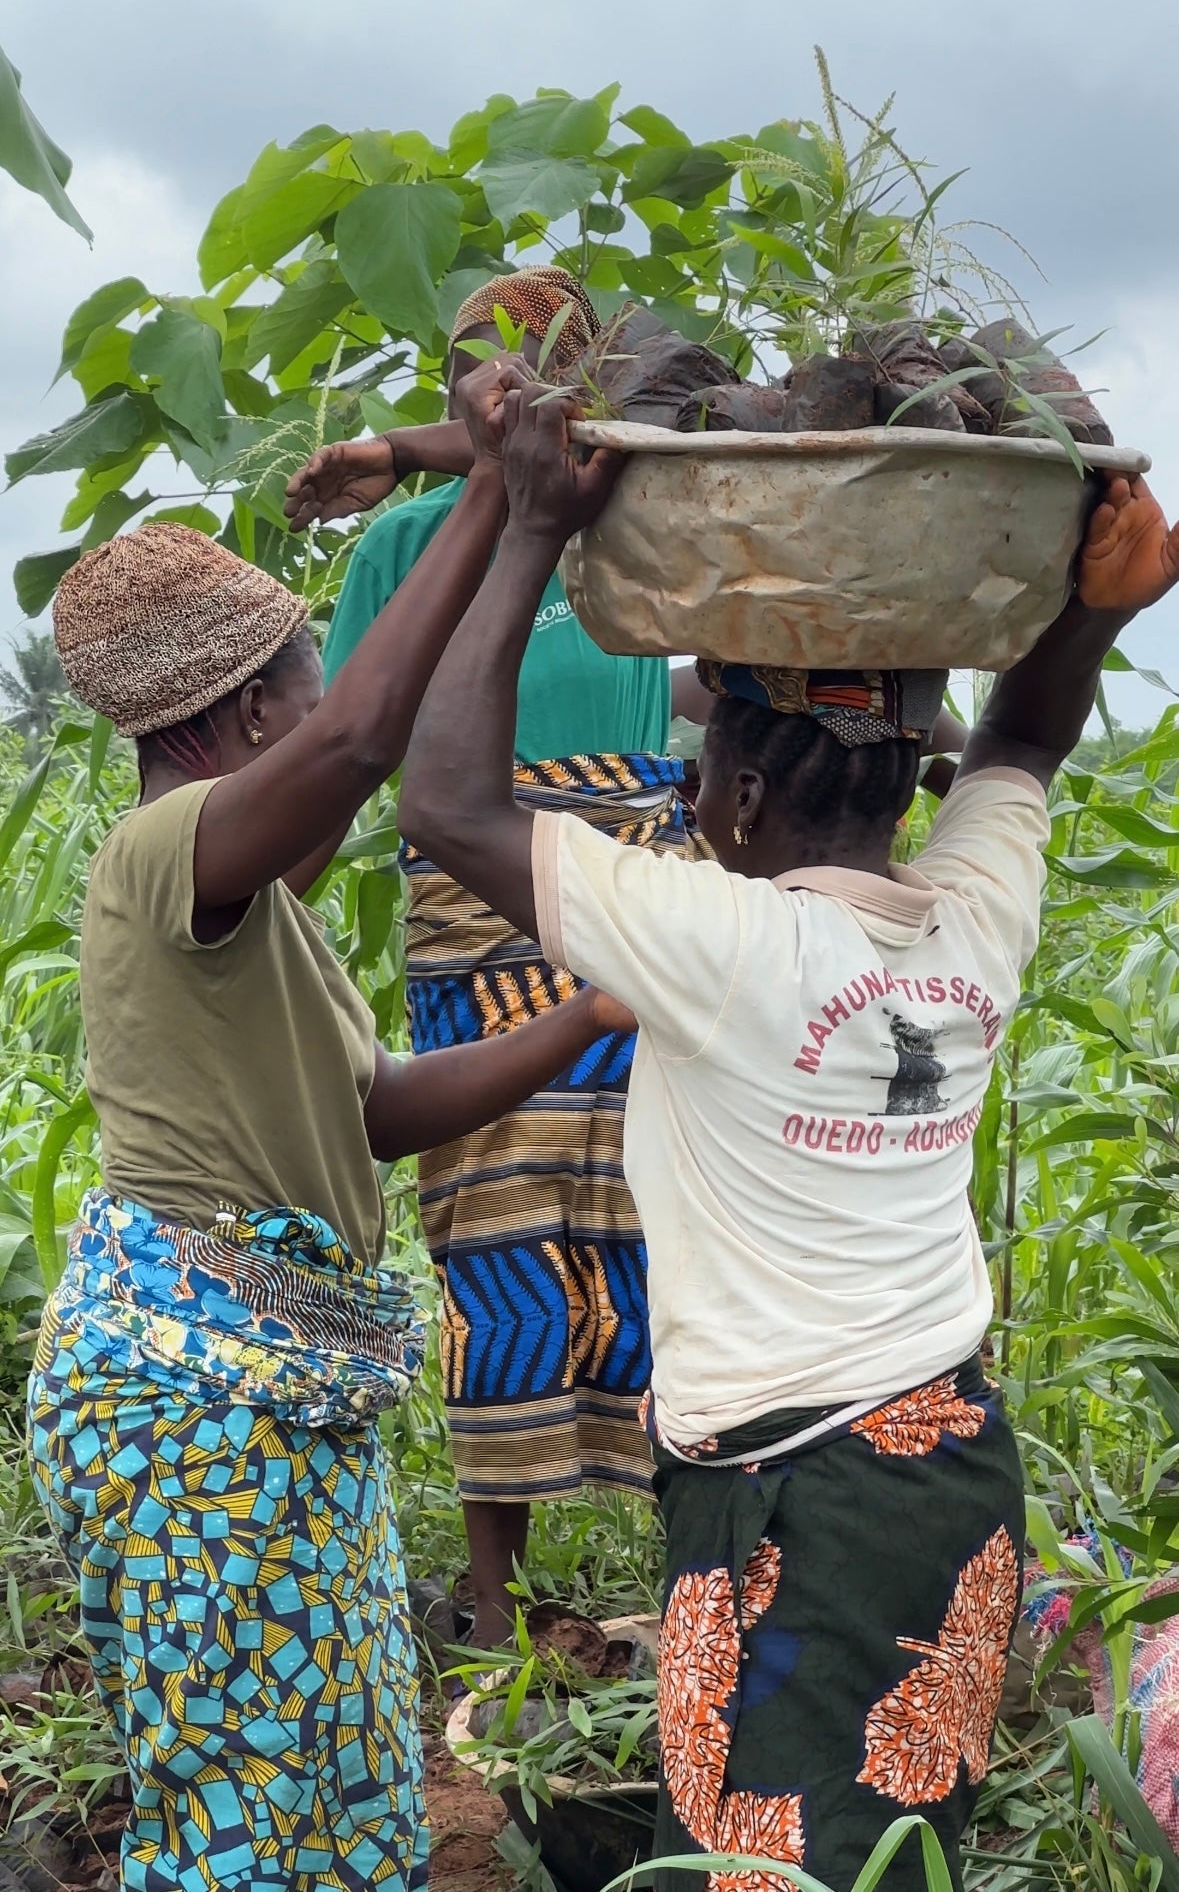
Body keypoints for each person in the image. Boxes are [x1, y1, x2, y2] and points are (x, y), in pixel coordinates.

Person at [397, 387, 1179, 1892]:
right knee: (889, 1848)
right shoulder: (974, 915)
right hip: (952, 1474)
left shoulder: (729, 941)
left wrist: (530, 528)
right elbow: (1020, 740)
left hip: (798, 1501)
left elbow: (445, 803)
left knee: (773, 1870)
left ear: (743, 795)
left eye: (701, 780)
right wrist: (1093, 611)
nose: (688, 802)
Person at [28, 372, 636, 1892]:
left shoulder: (252, 917)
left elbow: (377, 1112)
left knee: (346, 1768)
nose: (332, 731)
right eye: (311, 692)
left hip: (279, 1393)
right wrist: (498, 496)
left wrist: (590, 1010)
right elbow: (366, 741)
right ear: (250, 716)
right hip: (194, 1412)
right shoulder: (168, 848)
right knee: (236, 1805)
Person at [285, 266, 710, 1647]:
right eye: (486, 365)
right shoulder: (404, 551)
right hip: (477, 920)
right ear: (451, 383)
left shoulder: (636, 520)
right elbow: (356, 736)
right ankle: (497, 1606)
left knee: (665, 1234)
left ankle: (689, 1576)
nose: (512, 389)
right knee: (494, 1250)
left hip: (635, 905)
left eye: (547, 364)